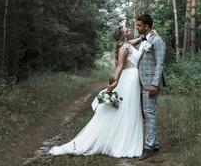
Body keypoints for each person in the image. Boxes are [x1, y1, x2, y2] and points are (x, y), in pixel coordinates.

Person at [48, 26, 144, 158]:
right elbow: (119, 66)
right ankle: (123, 141)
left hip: (132, 79)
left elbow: (137, 40)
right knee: (126, 109)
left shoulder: (128, 43)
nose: (129, 30)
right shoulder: (123, 48)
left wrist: (146, 36)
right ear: (122, 35)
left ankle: (125, 137)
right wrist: (114, 82)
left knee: (129, 109)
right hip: (129, 80)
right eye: (127, 30)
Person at [136, 14, 166, 160]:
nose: (137, 27)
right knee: (146, 114)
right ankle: (154, 144)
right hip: (141, 82)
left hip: (150, 84)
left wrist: (155, 84)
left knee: (149, 114)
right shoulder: (145, 40)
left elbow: (160, 64)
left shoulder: (158, 41)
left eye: (139, 25)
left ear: (147, 26)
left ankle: (149, 147)